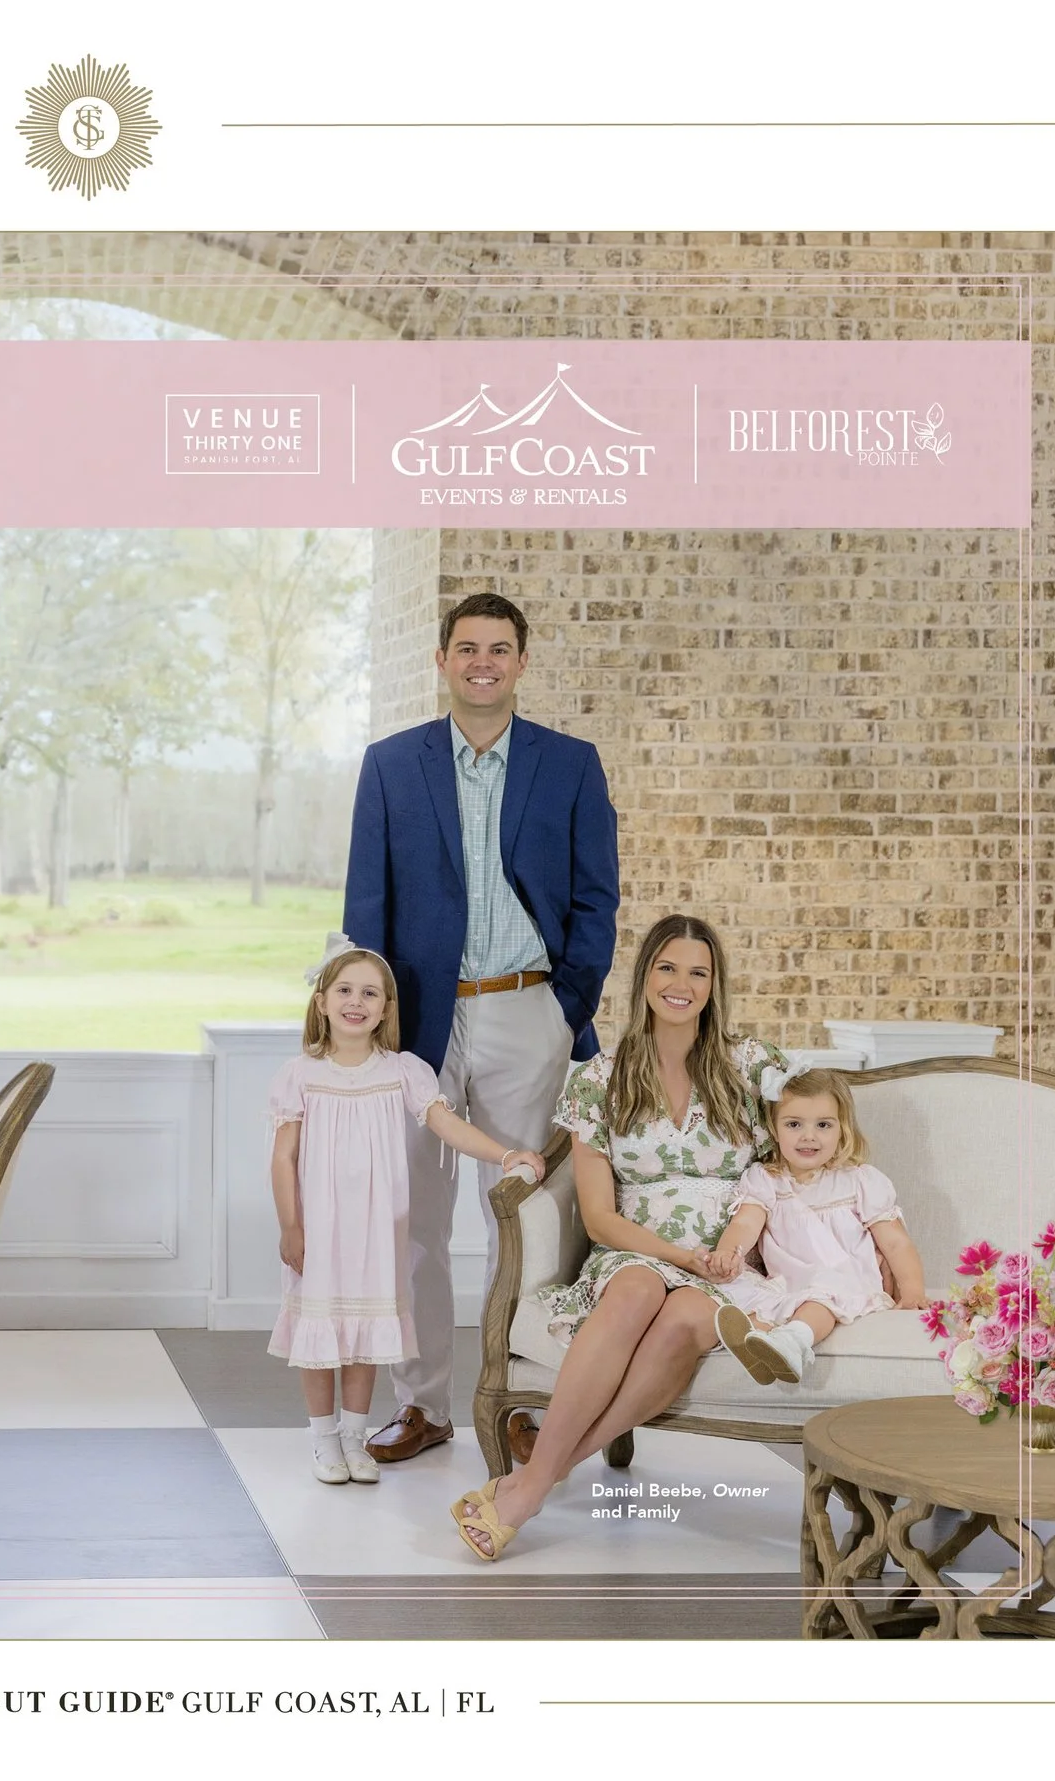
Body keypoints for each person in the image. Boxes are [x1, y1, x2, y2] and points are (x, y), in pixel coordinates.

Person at [342, 591, 619, 1465]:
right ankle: (421, 1407)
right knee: (415, 1221)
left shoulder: (570, 764)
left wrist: (563, 1004)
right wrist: (376, 1028)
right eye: (467, 648)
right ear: (442, 660)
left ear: (521, 663)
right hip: (418, 1022)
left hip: (528, 1011)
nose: (482, 662)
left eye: (500, 649)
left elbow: (595, 898)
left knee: (529, 1215)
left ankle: (528, 1398)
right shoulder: (391, 765)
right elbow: (366, 903)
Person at [450, 913, 789, 1560]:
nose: (681, 983)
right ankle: (535, 1483)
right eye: (667, 967)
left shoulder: (753, 1068)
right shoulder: (599, 1078)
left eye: (698, 971)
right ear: (645, 979)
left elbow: (802, 1153)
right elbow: (600, 1218)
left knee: (684, 1319)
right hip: (635, 1248)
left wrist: (738, 1245)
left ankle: (532, 1483)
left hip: (723, 1262)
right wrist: (671, 1253)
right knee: (634, 1294)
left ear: (715, 985)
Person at [270, 940, 545, 1484]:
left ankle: (354, 1438)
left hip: (376, 1232)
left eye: (370, 993)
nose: (357, 1002)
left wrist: (505, 1154)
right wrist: (290, 1227)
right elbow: (284, 1156)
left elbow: (446, 1124)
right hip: (321, 1231)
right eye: (345, 990)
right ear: (322, 1002)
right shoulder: (301, 1075)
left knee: (366, 1336)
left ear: (386, 1009)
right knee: (321, 1336)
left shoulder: (404, 1072)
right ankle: (323, 1439)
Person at [704, 1070, 926, 1383]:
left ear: (842, 1130)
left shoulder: (858, 1180)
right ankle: (757, 1347)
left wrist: (913, 1289)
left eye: (823, 1125)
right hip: (789, 1280)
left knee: (818, 1302)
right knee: (756, 1297)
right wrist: (729, 1251)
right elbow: (745, 1223)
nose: (809, 1136)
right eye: (794, 1124)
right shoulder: (766, 1179)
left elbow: (896, 1243)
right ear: (774, 1130)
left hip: (845, 1280)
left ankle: (794, 1341)